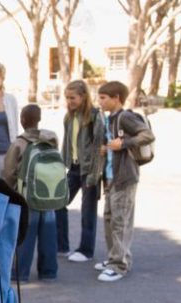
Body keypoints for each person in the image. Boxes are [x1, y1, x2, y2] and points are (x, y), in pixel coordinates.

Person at [95, 81, 155, 282]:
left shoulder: (125, 117)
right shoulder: (111, 118)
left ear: (116, 98)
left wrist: (124, 144)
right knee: (110, 218)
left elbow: (147, 135)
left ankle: (118, 265)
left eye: (103, 98)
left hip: (125, 176)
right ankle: (115, 257)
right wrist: (108, 147)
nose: (100, 101)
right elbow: (114, 144)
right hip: (112, 176)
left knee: (120, 220)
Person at [2, 104, 58, 281]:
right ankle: (48, 271)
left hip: (27, 196)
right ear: (39, 119)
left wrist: (9, 194)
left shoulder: (18, 143)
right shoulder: (51, 139)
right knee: (48, 234)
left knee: (27, 233)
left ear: (23, 120)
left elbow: (9, 173)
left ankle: (21, 273)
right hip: (49, 193)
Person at [55, 80, 105, 263]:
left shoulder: (94, 116)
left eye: (73, 98)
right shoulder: (69, 117)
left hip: (89, 169)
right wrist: (60, 166)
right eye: (67, 98)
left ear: (83, 96)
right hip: (73, 168)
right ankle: (62, 246)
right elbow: (66, 144)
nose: (69, 101)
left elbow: (99, 145)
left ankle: (86, 250)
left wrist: (95, 173)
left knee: (88, 210)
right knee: (58, 202)